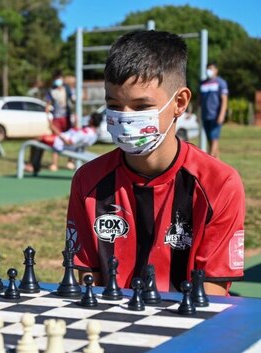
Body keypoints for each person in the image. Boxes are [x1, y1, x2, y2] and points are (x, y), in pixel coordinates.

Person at [65, 30, 245, 296]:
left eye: (141, 107)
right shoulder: (88, 180)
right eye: (114, 104)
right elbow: (88, 278)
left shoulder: (219, 183)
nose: (125, 118)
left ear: (180, 103)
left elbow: (212, 292)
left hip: (187, 328)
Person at [24, 112, 102, 173]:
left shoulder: (84, 133)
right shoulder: (94, 134)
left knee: (35, 140)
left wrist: (55, 130)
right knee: (38, 145)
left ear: (91, 120)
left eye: (90, 118)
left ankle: (31, 165)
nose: (88, 119)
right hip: (70, 144)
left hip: (59, 142)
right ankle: (35, 165)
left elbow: (68, 142)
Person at [200, 62, 228, 158]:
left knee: (214, 139)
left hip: (215, 116)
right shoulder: (203, 83)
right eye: (208, 68)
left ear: (216, 70)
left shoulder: (221, 83)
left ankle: (210, 160)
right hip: (205, 116)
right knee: (210, 140)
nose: (209, 71)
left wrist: (221, 114)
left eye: (211, 68)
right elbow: (199, 100)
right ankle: (217, 163)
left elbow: (224, 100)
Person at [45, 70, 74, 135]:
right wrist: (48, 117)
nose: (58, 80)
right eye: (56, 79)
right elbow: (48, 104)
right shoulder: (50, 90)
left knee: (68, 134)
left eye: (59, 78)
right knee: (57, 135)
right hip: (56, 116)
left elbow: (72, 98)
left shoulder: (66, 88)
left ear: (62, 79)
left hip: (66, 116)